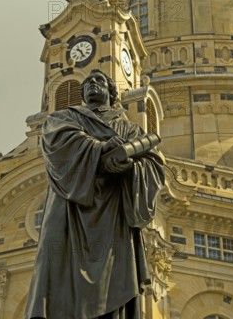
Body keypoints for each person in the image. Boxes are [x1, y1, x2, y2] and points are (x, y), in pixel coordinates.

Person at [25, 69, 165, 319]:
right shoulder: (65, 117)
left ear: (111, 92)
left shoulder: (130, 129)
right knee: (56, 273)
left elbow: (153, 166)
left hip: (113, 212)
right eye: (87, 82)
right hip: (70, 209)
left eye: (99, 81)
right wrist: (101, 149)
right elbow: (58, 141)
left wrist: (129, 166)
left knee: (113, 280)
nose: (92, 84)